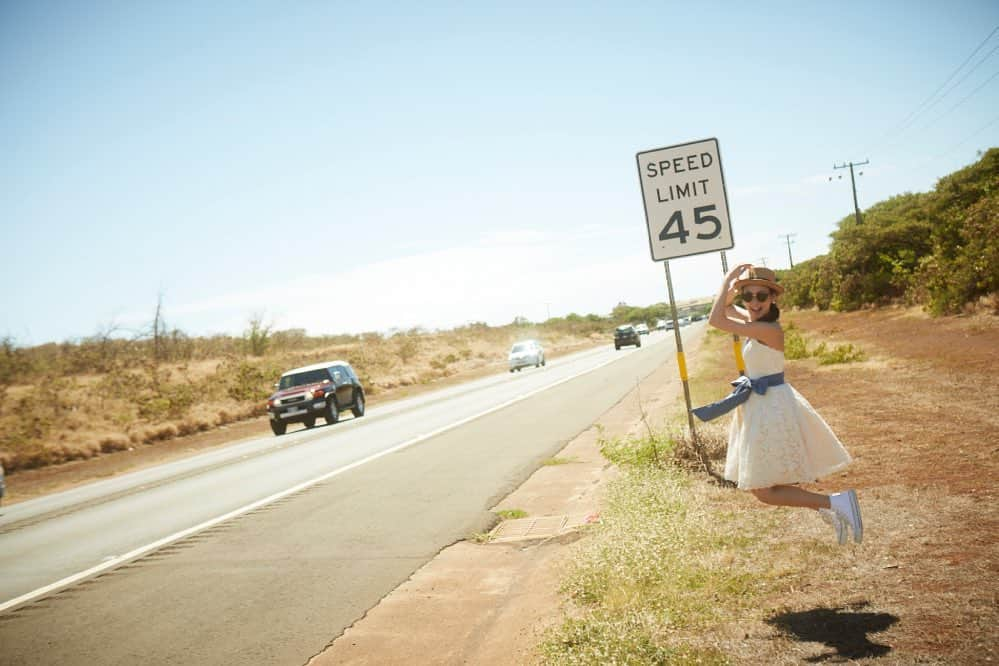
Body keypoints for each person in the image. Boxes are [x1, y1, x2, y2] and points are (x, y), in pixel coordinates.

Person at [692, 263, 862, 544]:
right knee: (765, 486)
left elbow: (715, 320)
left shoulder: (768, 330)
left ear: (773, 298)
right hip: (760, 404)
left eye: (761, 296)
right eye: (749, 297)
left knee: (763, 488)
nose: (754, 302)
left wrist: (727, 281)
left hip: (770, 406)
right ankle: (831, 506)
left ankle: (835, 503)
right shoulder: (755, 323)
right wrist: (733, 290)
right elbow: (723, 312)